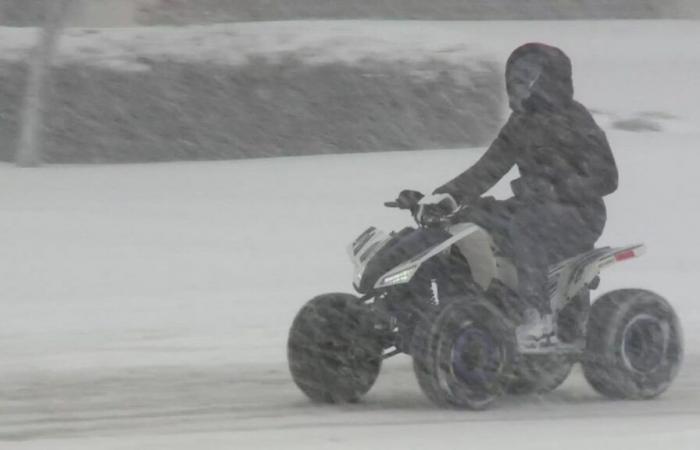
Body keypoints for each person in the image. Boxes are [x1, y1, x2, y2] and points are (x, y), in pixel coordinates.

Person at [432, 43, 618, 348]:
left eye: (525, 79)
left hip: (579, 212)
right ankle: (466, 311)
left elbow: (607, 177)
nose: (516, 87)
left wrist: (559, 188)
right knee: (466, 222)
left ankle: (538, 317)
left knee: (527, 227)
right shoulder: (520, 124)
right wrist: (445, 197)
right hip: (532, 206)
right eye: (513, 80)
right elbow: (487, 169)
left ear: (547, 81)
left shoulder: (575, 119)